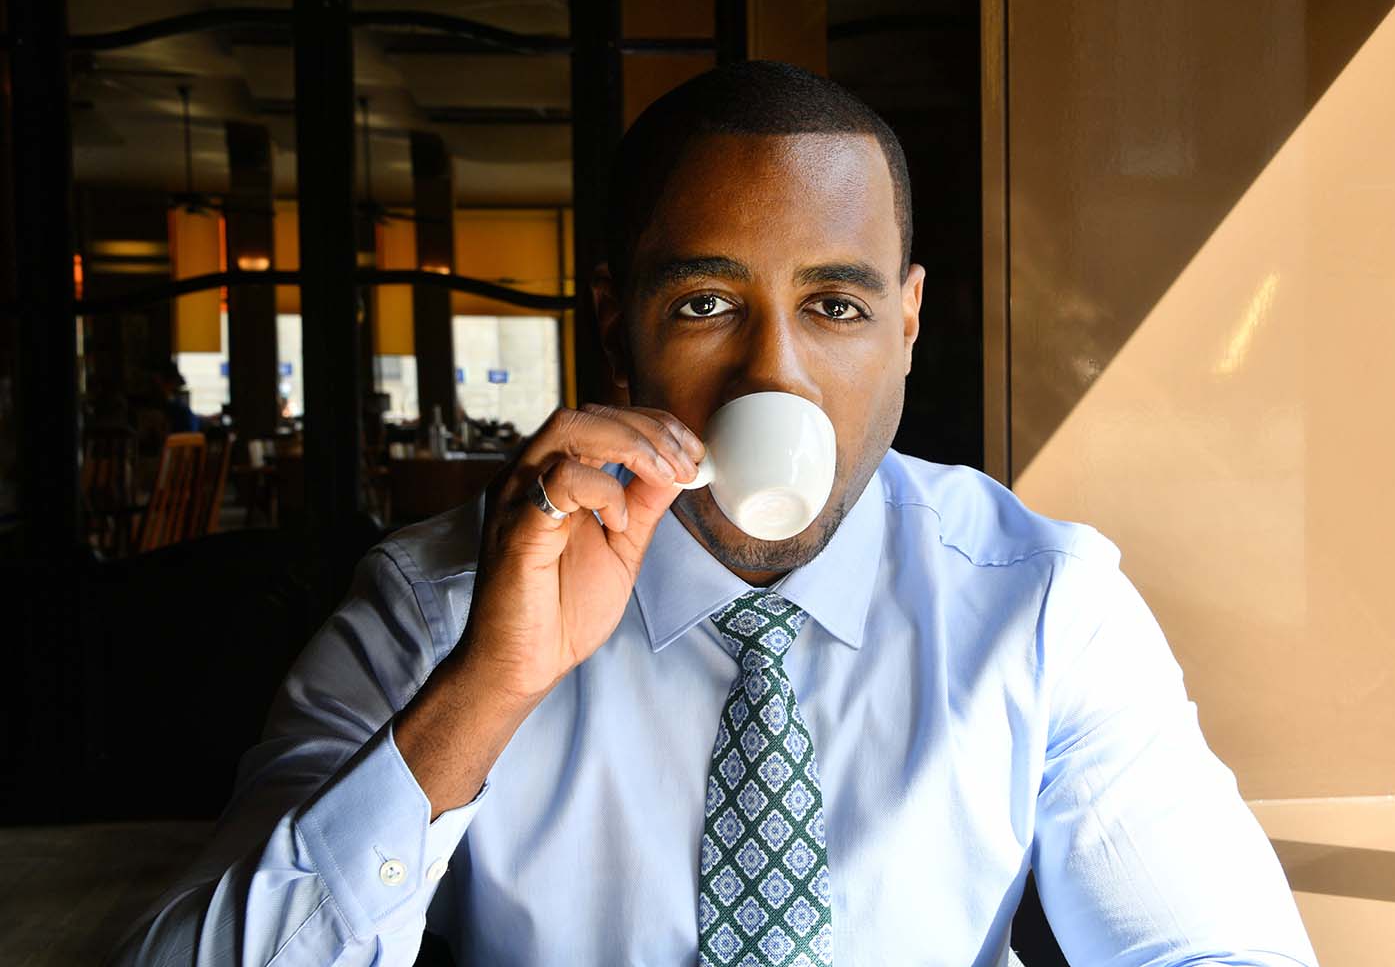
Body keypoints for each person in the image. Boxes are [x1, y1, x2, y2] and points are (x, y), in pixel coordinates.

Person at [113, 63, 1317, 966]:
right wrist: (488, 689)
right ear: (615, 325)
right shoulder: (440, 606)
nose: (773, 377)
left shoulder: (1045, 604)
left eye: (836, 307)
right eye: (704, 302)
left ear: (907, 324)